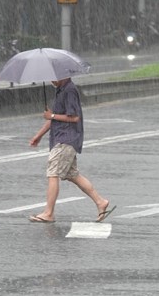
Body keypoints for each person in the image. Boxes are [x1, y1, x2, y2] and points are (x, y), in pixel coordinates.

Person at [29, 77, 116, 223]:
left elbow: (74, 117)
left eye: (54, 77)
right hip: (62, 138)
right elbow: (54, 119)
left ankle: (49, 213)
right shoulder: (60, 90)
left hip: (66, 139)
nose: (51, 81)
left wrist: (52, 115)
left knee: (53, 173)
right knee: (72, 174)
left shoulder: (69, 90)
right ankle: (100, 202)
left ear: (63, 75)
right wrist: (38, 135)